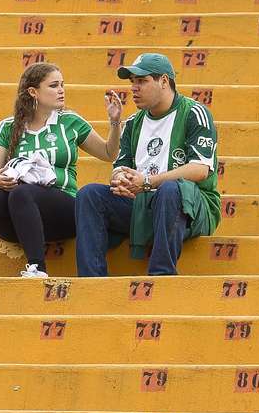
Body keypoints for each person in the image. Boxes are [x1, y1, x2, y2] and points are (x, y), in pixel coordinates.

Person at [0, 62, 123, 278]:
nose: (61, 90)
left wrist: (115, 123)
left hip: (64, 211)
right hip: (18, 220)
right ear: (33, 92)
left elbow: (108, 153)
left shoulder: (70, 122)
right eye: (54, 85)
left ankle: (37, 267)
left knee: (22, 191)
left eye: (62, 85)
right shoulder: (8, 127)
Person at [75, 53, 221, 277]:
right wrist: (120, 180)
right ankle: (91, 280)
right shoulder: (133, 123)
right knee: (89, 195)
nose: (134, 88)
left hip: (191, 208)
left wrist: (148, 182)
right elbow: (120, 166)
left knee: (171, 189)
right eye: (132, 82)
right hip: (144, 204)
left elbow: (200, 170)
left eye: (142, 81)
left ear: (164, 81)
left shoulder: (194, 113)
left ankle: (161, 275)